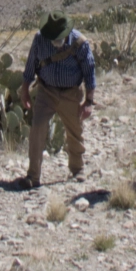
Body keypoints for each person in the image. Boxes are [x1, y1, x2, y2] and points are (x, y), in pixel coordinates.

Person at [18, 12, 96, 188]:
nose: (55, 41)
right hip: (46, 91)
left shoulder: (80, 43)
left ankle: (77, 169)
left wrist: (89, 102)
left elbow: (90, 72)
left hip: (71, 93)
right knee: (37, 128)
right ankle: (33, 176)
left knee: (74, 130)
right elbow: (31, 65)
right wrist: (25, 90)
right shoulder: (39, 39)